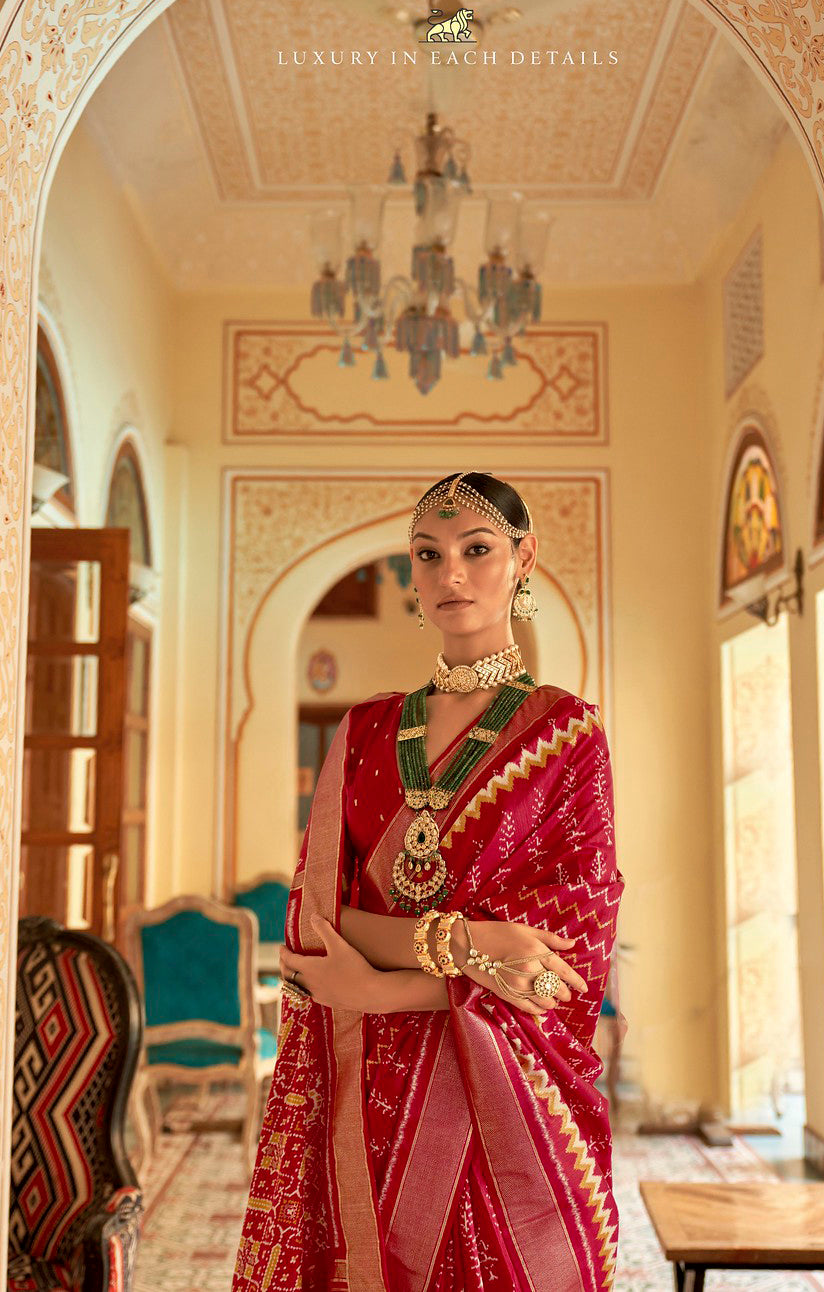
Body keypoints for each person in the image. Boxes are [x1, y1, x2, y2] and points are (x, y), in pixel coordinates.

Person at [233, 471, 624, 1292]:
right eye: (427, 554)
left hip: (502, 1099)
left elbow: (558, 971)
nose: (451, 573)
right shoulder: (367, 731)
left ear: (523, 560)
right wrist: (472, 942)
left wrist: (378, 987)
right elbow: (314, 918)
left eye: (476, 550)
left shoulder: (566, 736)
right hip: (371, 1082)